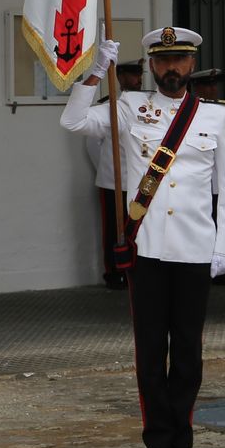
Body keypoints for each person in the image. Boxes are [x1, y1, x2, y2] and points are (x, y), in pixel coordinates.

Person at [62, 27, 225, 448]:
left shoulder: (215, 116)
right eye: (162, 62)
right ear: (151, 66)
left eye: (179, 61)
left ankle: (182, 438)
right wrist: (94, 74)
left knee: (188, 352)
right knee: (149, 349)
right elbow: (74, 122)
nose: (171, 69)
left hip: (195, 248)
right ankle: (158, 442)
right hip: (146, 250)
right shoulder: (128, 107)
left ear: (191, 64)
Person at [84, 61, 144, 290]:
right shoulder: (109, 107)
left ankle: (135, 269)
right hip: (112, 182)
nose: (136, 80)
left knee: (137, 230)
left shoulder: (146, 106)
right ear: (119, 77)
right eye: (131, 75)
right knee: (113, 228)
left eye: (139, 75)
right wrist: (108, 171)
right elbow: (92, 146)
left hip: (139, 184)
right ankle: (113, 272)